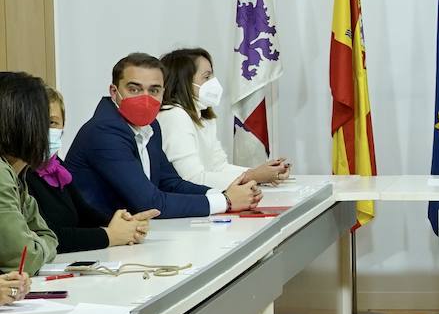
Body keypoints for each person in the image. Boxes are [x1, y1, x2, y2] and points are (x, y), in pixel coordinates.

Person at [65, 53, 261, 220]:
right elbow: (150, 203)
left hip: (133, 237)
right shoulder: (105, 131)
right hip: (98, 243)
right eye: (134, 89)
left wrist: (224, 194)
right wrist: (226, 201)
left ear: (163, 93)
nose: (145, 97)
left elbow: (170, 183)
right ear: (114, 92)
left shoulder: (151, 126)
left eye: (154, 90)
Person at [27, 86, 157, 253]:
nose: (44, 129)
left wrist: (125, 225)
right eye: (37, 122)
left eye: (52, 122)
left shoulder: (56, 166)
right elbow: (49, 236)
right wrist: (109, 236)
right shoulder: (20, 173)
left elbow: (85, 214)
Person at [157, 48, 290, 189]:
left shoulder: (203, 116)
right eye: (206, 77)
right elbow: (191, 179)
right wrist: (253, 176)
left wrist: (261, 174)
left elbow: (219, 167)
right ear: (183, 82)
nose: (213, 82)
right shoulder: (174, 116)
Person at [0, 72, 59, 287]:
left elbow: (47, 235)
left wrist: (36, 245)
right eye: (47, 121)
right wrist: (37, 247)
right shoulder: (1, 173)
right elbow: (24, 258)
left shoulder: (17, 174)